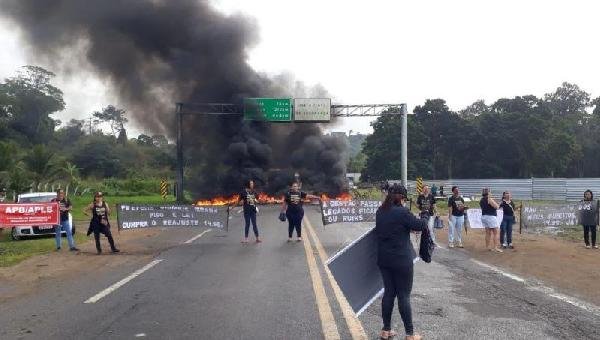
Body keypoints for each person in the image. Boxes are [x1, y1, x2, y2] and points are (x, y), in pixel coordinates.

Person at [375, 184, 426, 340]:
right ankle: (410, 334)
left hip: (384, 259)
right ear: (401, 198)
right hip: (401, 260)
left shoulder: (380, 211)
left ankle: (386, 330)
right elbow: (420, 226)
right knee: (404, 295)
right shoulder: (403, 212)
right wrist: (424, 215)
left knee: (389, 293)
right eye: (404, 199)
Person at [239, 180, 261, 244]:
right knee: (247, 224)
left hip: (253, 210)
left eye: (253, 183)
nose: (252, 185)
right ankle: (246, 239)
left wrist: (256, 200)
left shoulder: (254, 191)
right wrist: (241, 202)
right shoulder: (243, 192)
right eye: (251, 184)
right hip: (246, 211)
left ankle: (257, 238)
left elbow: (257, 198)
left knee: (254, 224)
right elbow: (239, 201)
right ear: (248, 184)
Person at [480, 188, 502, 252]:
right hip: (491, 216)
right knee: (495, 232)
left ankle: (488, 247)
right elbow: (497, 207)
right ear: (489, 193)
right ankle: (495, 247)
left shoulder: (481, 200)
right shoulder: (489, 199)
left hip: (484, 216)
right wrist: (496, 202)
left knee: (488, 233)